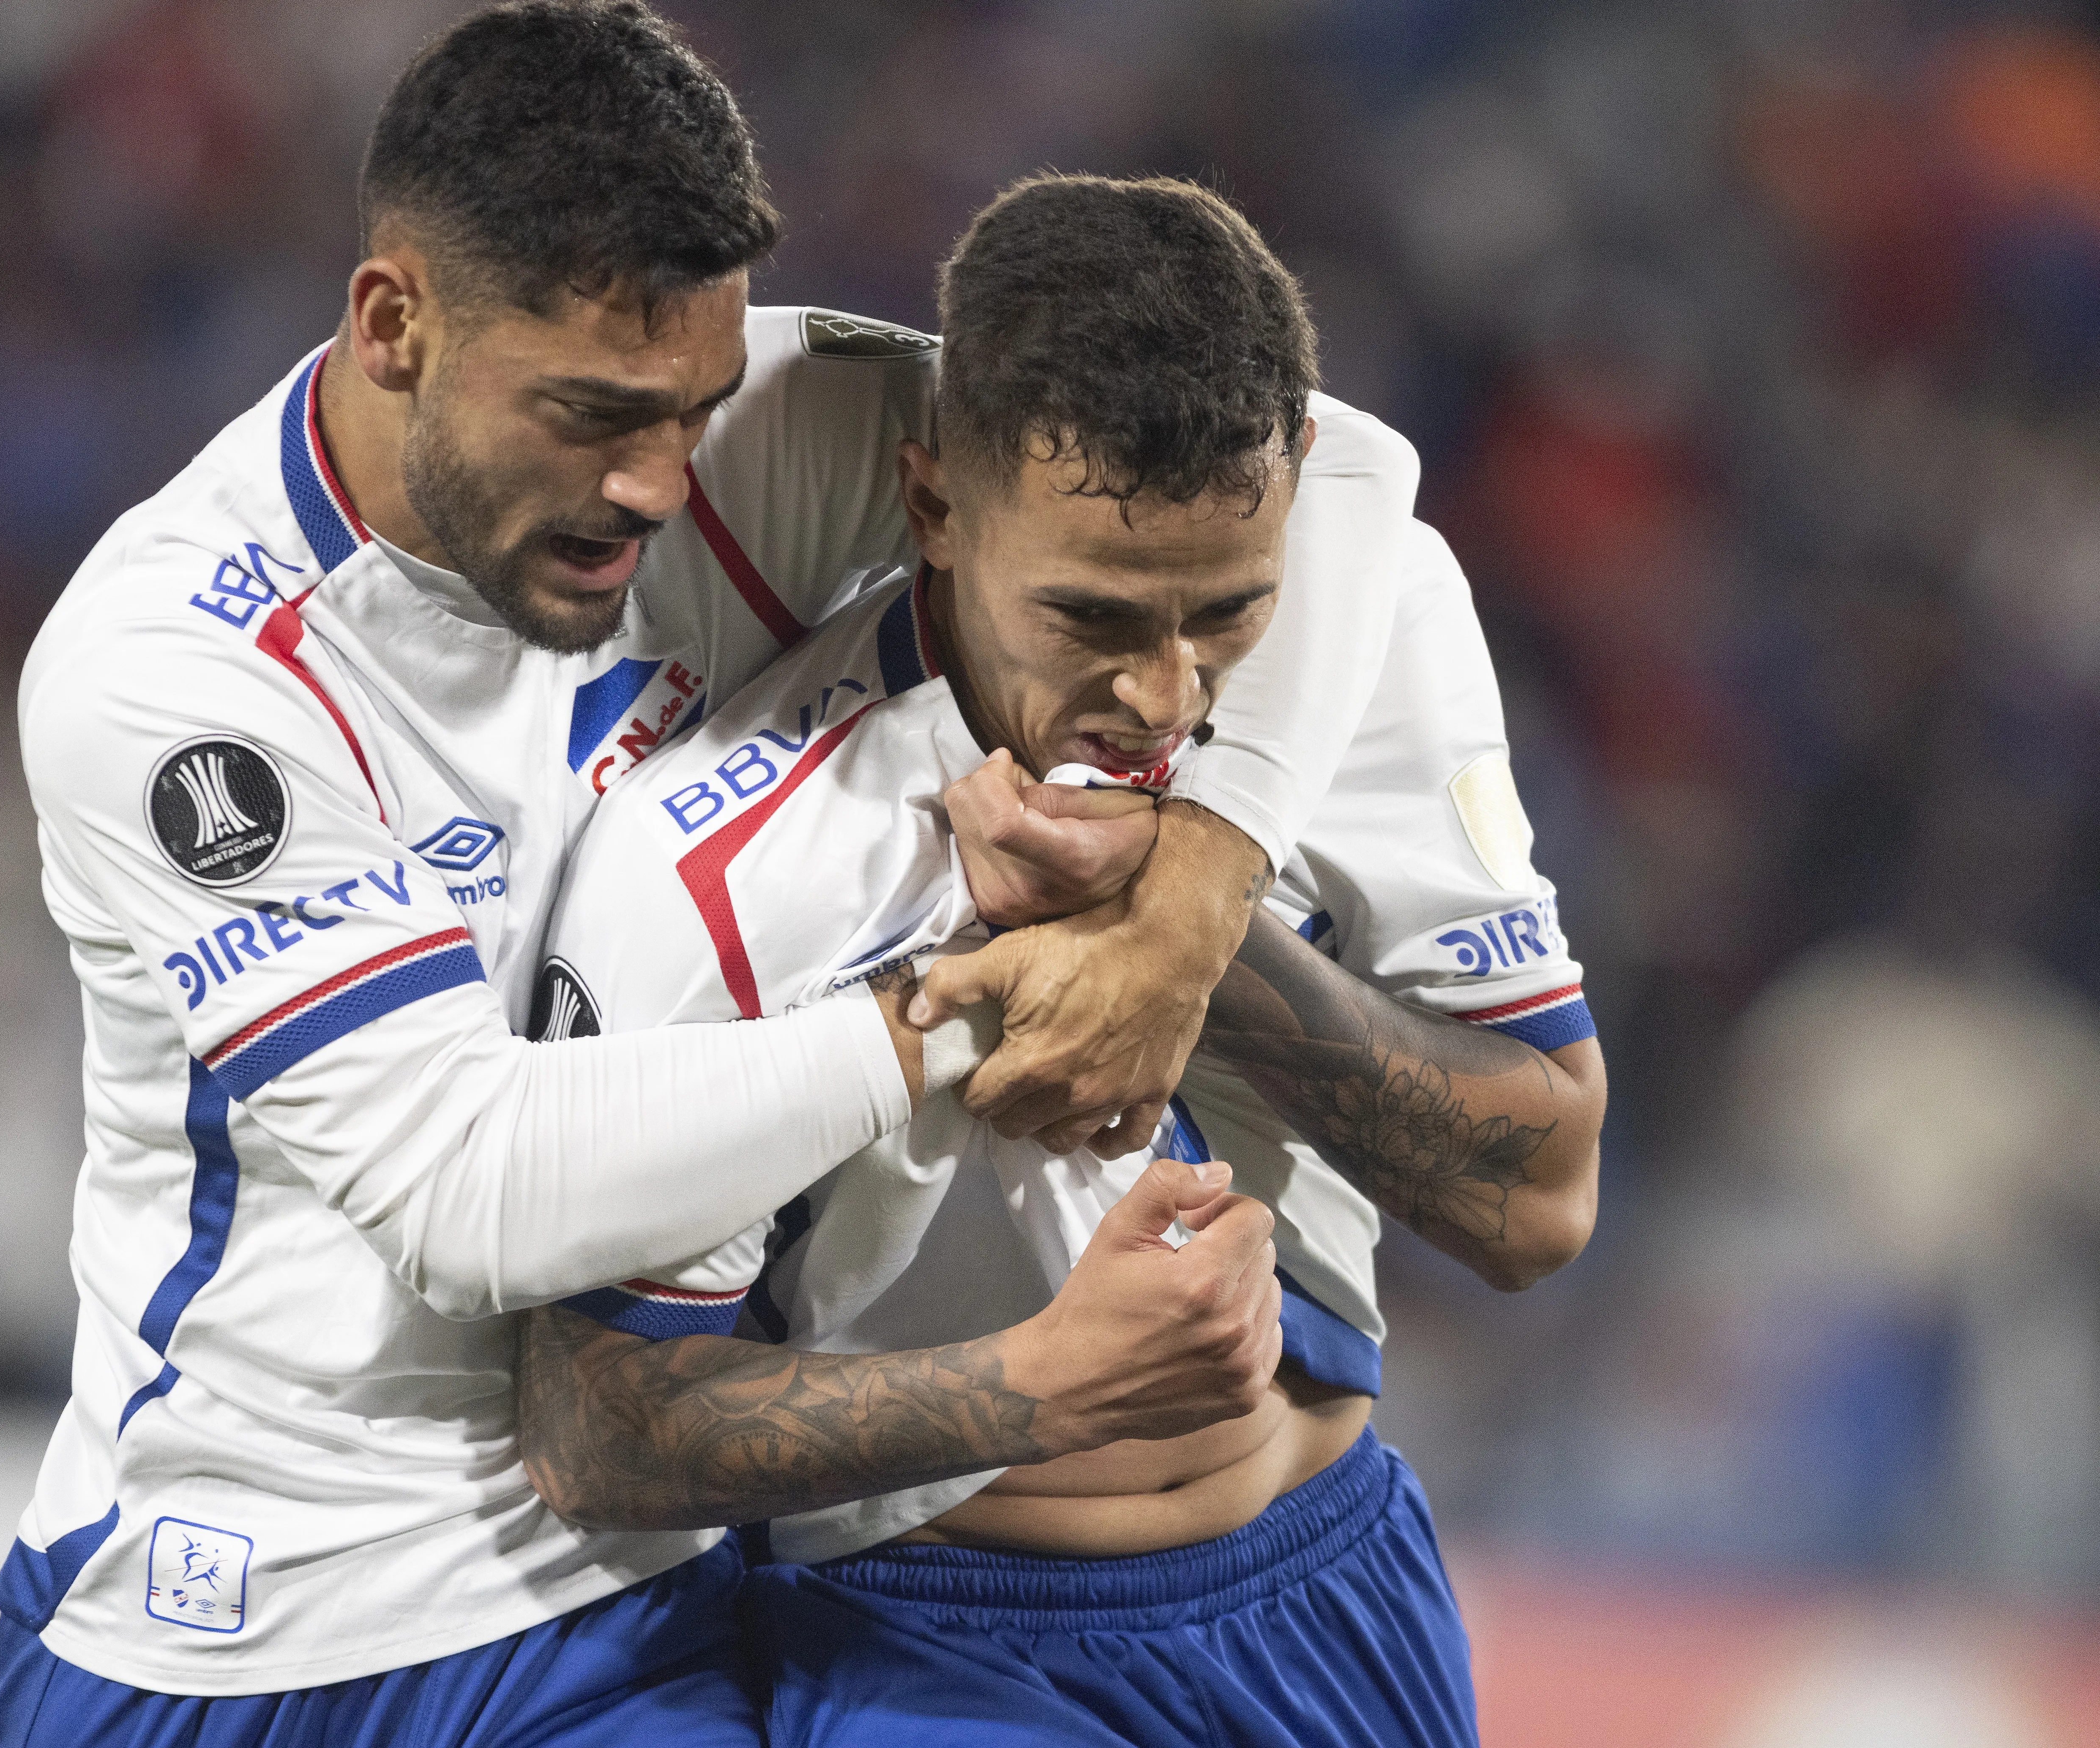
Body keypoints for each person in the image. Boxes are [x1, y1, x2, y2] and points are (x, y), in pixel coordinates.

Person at [0, 4, 1425, 1743]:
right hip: (236, 1623)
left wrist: (1197, 886)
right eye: (595, 414)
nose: (661, 484)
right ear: (393, 327)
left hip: (624, 1597)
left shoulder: (734, 447)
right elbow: (466, 1189)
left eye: (692, 406)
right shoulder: (185, 672)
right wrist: (950, 1013)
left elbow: (1334, 468)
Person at [517, 174, 1606, 1747]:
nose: (1166, 697)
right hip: (941, 1654)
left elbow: (1540, 1201)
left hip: (1340, 1590)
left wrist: (1196, 939)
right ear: (935, 504)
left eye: (1226, 615)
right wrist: (1040, 1386)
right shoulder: (737, 862)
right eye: (1092, 615)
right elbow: (598, 1430)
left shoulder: (1380, 637)